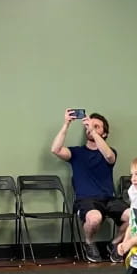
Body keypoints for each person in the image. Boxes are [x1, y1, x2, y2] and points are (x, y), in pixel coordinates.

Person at [50, 109, 128, 263]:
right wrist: (66, 124)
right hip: (86, 200)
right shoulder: (76, 153)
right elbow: (55, 149)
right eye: (89, 126)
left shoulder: (109, 152)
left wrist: (93, 131)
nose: (91, 128)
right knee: (94, 218)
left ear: (104, 134)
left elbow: (109, 156)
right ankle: (89, 243)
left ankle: (114, 244)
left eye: (97, 126)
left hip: (109, 199)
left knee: (134, 217)